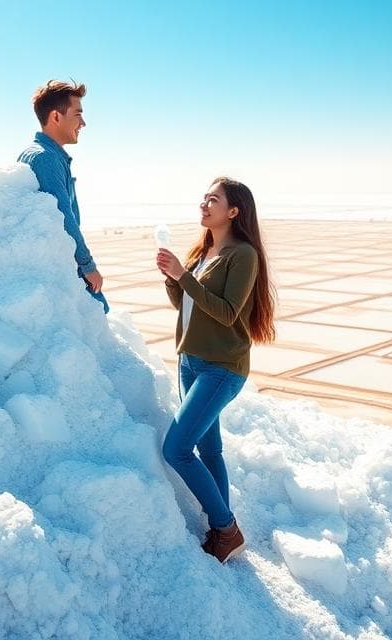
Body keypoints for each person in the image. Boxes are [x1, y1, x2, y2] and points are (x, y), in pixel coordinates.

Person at [156, 177, 276, 564]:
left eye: (213, 200)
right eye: (204, 198)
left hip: (221, 367)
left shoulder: (243, 255)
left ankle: (226, 528)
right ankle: (221, 531)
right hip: (190, 360)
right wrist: (172, 276)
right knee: (209, 450)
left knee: (176, 449)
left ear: (234, 211)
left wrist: (184, 276)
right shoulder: (204, 251)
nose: (204, 205)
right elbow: (187, 305)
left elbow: (226, 313)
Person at [18, 79, 108, 313]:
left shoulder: (35, 154)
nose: (83, 123)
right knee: (98, 315)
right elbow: (62, 216)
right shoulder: (46, 158)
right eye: (78, 114)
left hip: (53, 264)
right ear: (56, 117)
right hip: (63, 267)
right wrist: (87, 265)